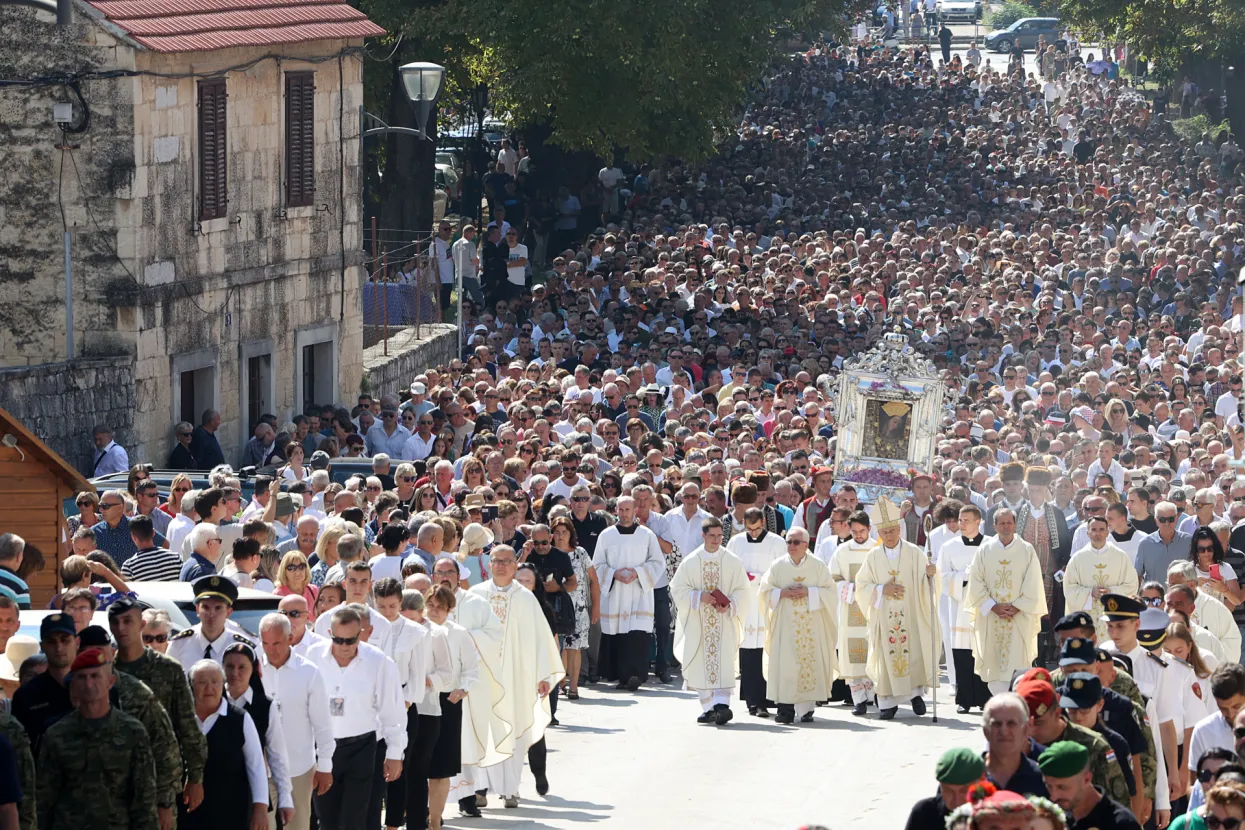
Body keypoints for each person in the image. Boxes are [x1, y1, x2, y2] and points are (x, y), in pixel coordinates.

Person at [469, 545, 563, 808]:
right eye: (496, 561)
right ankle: (479, 789)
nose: (501, 565)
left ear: (515, 565)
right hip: (482, 677)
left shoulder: (525, 598)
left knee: (514, 731)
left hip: (517, 678)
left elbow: (540, 639)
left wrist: (542, 675)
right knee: (482, 730)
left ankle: (510, 789)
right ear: (488, 564)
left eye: (506, 561)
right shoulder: (475, 596)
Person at [305, 605, 406, 830]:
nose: (344, 647)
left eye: (350, 641)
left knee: (355, 819)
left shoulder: (378, 662)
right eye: (338, 640)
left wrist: (394, 752)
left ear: (361, 635)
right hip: (323, 748)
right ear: (330, 635)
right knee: (327, 818)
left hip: (361, 747)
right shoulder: (312, 657)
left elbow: (392, 710)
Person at [36, 648, 158, 830]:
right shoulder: (57, 735)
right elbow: (43, 801)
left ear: (110, 682)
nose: (88, 684)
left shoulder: (132, 733)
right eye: (82, 678)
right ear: (74, 685)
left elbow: (144, 800)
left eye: (95, 676)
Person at [854, 497, 939, 720]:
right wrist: (882, 590)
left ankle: (915, 695)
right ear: (879, 533)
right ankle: (888, 703)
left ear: (898, 528)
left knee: (912, 652)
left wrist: (929, 576)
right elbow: (861, 586)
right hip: (885, 616)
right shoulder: (873, 556)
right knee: (887, 657)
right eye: (884, 532)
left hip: (910, 612)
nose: (889, 536)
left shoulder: (914, 552)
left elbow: (927, 583)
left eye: (892, 530)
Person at [256, 612, 335, 830]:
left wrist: (325, 765)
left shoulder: (309, 672)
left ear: (290, 638)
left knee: (298, 826)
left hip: (299, 767)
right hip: (262, 769)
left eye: (277, 643)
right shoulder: (252, 671)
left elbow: (323, 724)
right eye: (265, 643)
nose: (271, 649)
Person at [670, 516, 750, 725]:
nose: (716, 540)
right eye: (712, 536)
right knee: (700, 661)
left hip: (724, 622)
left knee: (722, 660)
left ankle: (722, 705)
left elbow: (743, 590)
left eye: (719, 536)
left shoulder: (731, 560)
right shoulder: (692, 561)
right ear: (703, 535)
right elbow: (677, 588)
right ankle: (708, 708)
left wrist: (730, 603)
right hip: (699, 621)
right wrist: (698, 597)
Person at [758, 526, 838, 724]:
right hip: (785, 625)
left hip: (812, 624)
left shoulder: (818, 566)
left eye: (795, 542)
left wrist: (809, 592)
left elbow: (830, 592)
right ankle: (784, 708)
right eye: (789, 542)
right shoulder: (777, 566)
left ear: (806, 544)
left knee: (808, 663)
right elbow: (764, 592)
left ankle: (805, 709)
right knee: (785, 664)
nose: (791, 546)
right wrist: (781, 593)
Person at [965, 507, 1048, 694]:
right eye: (1001, 523)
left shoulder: (1026, 550)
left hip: (1018, 616)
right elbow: (976, 581)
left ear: (1015, 525)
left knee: (1018, 660)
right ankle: (999, 699)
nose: (1006, 526)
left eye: (1009, 522)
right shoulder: (984, 550)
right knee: (993, 661)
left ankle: (1019, 698)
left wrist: (1018, 607)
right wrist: (992, 606)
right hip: (992, 615)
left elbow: (1033, 582)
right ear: (994, 526)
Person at [184, 659, 269, 830]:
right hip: (186, 812)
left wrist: (260, 809)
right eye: (202, 682)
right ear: (191, 685)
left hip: (230, 813)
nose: (209, 688)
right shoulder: (180, 719)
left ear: (223, 684)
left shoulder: (240, 718)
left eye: (215, 682)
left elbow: (256, 766)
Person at [592, 496, 664, 691]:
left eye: (628, 510)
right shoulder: (606, 535)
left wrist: (638, 573)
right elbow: (597, 564)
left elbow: (658, 562)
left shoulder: (646, 535)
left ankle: (635, 676)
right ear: (615, 510)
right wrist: (613, 574)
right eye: (621, 510)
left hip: (638, 593)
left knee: (636, 635)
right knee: (618, 635)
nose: (624, 513)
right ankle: (620, 676)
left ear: (635, 511)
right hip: (615, 592)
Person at [423, 585, 480, 830]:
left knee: (440, 767)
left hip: (447, 703)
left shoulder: (458, 633)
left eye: (440, 608)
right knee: (417, 766)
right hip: (420, 702)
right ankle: (417, 813)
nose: (434, 612)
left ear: (449, 610)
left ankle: (435, 820)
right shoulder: (417, 631)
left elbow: (471, 668)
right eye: (431, 606)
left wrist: (463, 689)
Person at [726, 505, 787, 717]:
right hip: (747, 604)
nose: (753, 533)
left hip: (769, 602)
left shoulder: (777, 543)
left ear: (764, 524)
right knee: (750, 651)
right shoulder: (736, 542)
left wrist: (762, 579)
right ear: (744, 525)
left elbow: (783, 570)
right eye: (750, 529)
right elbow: (730, 569)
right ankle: (754, 701)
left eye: (757, 529)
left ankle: (774, 697)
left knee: (769, 650)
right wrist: (745, 577)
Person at [937, 505, 991, 713]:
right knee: (961, 652)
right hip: (959, 609)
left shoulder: (989, 546)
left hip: (984, 607)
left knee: (982, 651)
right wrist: (964, 577)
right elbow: (942, 577)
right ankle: (964, 699)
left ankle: (985, 697)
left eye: (966, 520)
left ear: (979, 522)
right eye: (960, 520)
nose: (961, 524)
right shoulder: (949, 547)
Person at [1063, 515, 1139, 643]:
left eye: (1101, 529)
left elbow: (1131, 585)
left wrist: (1112, 592)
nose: (1097, 533)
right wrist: (1090, 593)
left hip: (1113, 614)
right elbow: (1069, 588)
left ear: (1107, 532)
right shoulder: (1078, 558)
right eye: (1093, 530)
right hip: (1088, 617)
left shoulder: (1120, 556)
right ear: (1087, 533)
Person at [1038, 740, 1141, 829]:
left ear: (1087, 779)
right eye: (1049, 786)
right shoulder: (1053, 819)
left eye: (1062, 787)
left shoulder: (1121, 824)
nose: (1053, 796)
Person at [904, 747, 987, 830]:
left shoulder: (993, 815)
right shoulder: (924, 814)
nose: (956, 801)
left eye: (964, 791)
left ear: (981, 781)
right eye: (948, 791)